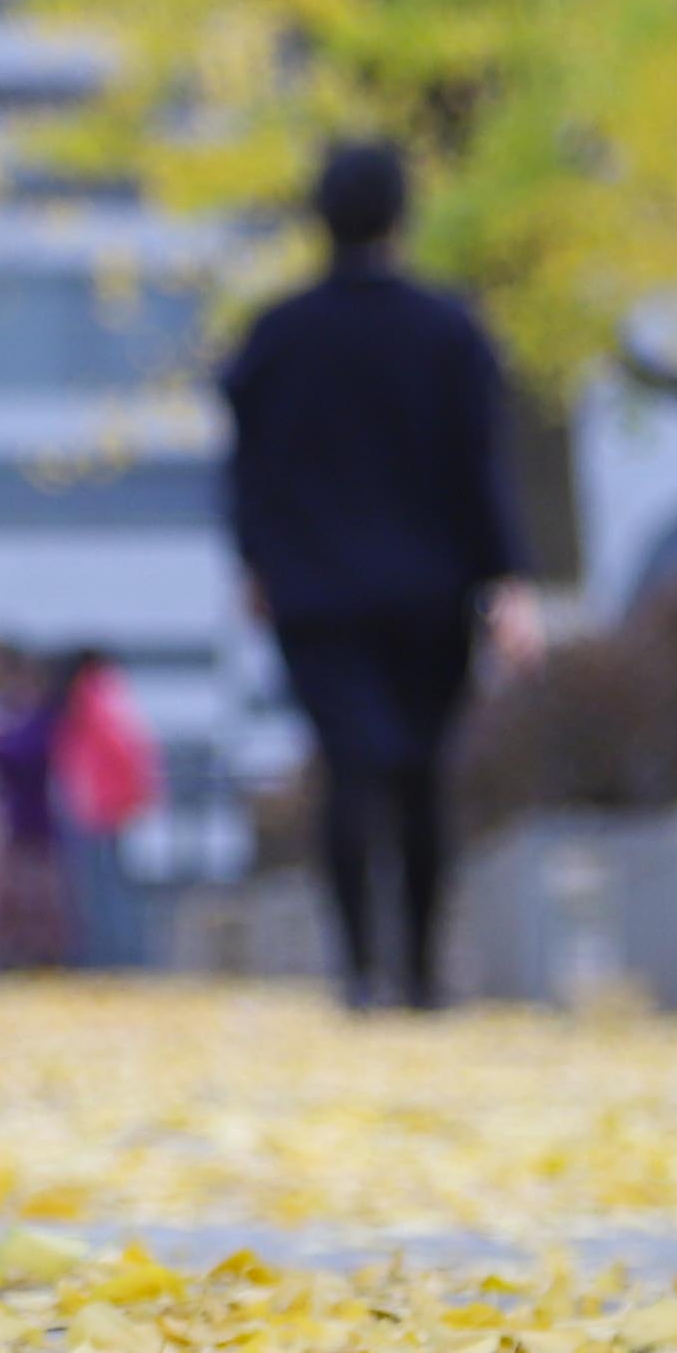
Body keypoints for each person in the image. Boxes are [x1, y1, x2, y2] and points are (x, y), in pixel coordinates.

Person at [219, 136, 536, 1008]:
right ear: (402, 215)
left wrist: (253, 562)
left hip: (314, 592)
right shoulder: (448, 332)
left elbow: (249, 471)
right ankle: (424, 969)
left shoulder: (277, 339)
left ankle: (360, 967)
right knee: (422, 773)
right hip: (432, 592)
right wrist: (506, 580)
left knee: (349, 769)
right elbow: (482, 466)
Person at [0, 639, 73, 971]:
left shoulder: (37, 713)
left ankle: (37, 961)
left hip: (33, 822)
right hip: (8, 819)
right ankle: (0, 961)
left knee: (36, 904)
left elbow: (31, 755)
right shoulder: (1, 710)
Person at [46, 646, 157, 970]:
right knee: (109, 889)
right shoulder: (111, 695)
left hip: (97, 808)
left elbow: (118, 753)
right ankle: (118, 959)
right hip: (107, 805)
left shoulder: (91, 698)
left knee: (102, 893)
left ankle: (114, 961)